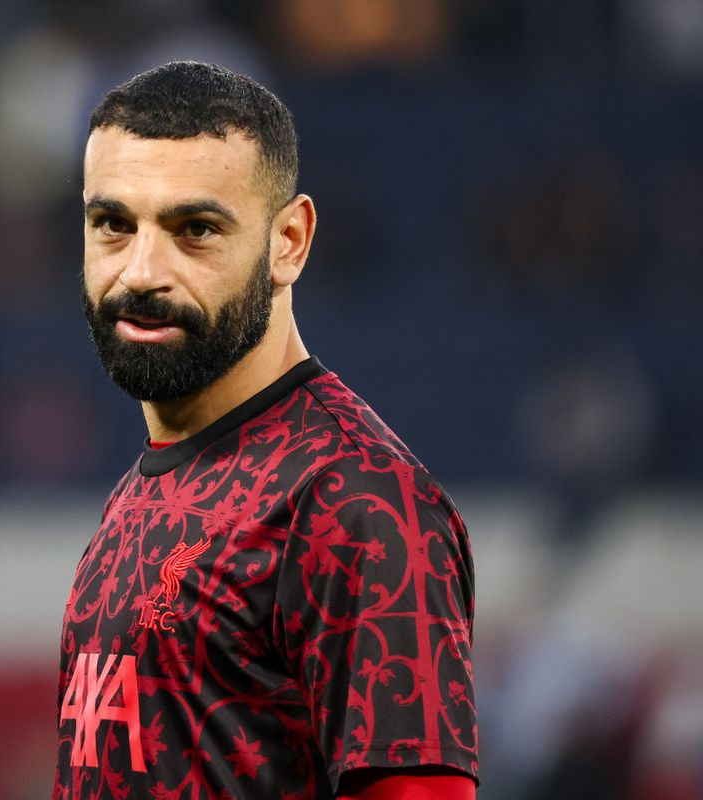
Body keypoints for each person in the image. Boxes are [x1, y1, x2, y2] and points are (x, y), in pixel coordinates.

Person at [55, 62, 478, 800]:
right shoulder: (143, 491)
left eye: (196, 230)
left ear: (289, 240)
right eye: (114, 225)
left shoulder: (354, 501)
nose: (143, 271)